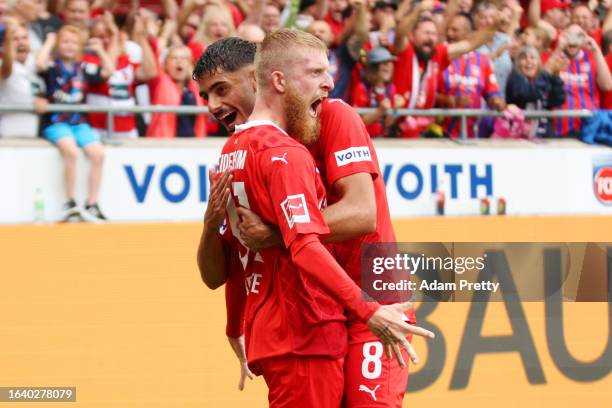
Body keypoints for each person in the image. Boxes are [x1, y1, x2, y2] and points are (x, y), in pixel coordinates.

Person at [193, 36, 428, 407]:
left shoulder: (335, 116)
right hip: (321, 312)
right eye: (206, 96)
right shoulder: (248, 149)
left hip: (374, 296)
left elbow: (362, 213)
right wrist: (233, 322)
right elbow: (228, 264)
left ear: (261, 80)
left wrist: (280, 233)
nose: (212, 105)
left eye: (221, 89)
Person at [392, 0, 502, 137]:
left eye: (433, 34)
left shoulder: (437, 54)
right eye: (426, 33)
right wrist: (418, 10)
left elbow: (470, 44)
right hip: (395, 132)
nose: (430, 38)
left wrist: (495, 25)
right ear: (412, 35)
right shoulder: (405, 51)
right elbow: (400, 33)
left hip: (423, 135)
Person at [36, 25, 111, 221]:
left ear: (80, 47)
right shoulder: (52, 66)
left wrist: (100, 50)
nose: (69, 46)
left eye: (74, 43)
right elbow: (40, 64)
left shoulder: (83, 68)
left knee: (98, 153)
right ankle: (70, 202)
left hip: (79, 123)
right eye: (65, 41)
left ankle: (92, 203)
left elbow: (108, 71)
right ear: (58, 45)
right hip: (56, 122)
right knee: (70, 150)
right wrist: (49, 42)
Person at [437, 12, 505, 138]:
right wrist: (449, 100)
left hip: (471, 136)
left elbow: (492, 92)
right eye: (448, 29)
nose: (449, 34)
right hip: (438, 134)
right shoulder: (439, 56)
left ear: (469, 33)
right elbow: (426, 93)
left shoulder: (483, 61)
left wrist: (496, 101)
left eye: (455, 30)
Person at [550, 24, 612, 136]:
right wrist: (558, 48)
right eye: (569, 35)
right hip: (558, 127)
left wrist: (596, 49)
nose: (573, 40)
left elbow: (607, 86)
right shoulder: (554, 57)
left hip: (589, 127)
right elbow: (542, 79)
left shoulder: (593, 58)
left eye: (578, 36)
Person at [506, 46, 566, 138]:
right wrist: (547, 73)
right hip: (518, 139)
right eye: (524, 58)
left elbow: (559, 99)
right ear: (518, 63)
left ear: (538, 63)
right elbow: (530, 94)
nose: (529, 61)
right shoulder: (514, 79)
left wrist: (555, 76)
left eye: (532, 58)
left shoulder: (543, 79)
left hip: (543, 136)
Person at [146, 45, 206, 138]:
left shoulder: (197, 86)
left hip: (194, 145)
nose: (179, 61)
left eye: (184, 58)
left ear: (189, 64)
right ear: (165, 64)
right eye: (174, 58)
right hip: (164, 146)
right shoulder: (158, 82)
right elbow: (151, 67)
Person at [0, 19, 45, 137]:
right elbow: (6, 70)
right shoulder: (4, 64)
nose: (21, 42)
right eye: (15, 39)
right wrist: (8, 39)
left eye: (24, 38)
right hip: (8, 131)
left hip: (32, 129)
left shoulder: (32, 61)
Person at [350, 47, 403, 138]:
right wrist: (379, 111)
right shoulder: (361, 88)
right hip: (364, 139)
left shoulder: (391, 89)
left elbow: (387, 123)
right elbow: (357, 122)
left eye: (389, 62)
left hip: (382, 140)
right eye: (383, 62)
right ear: (372, 68)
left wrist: (395, 110)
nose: (388, 66)